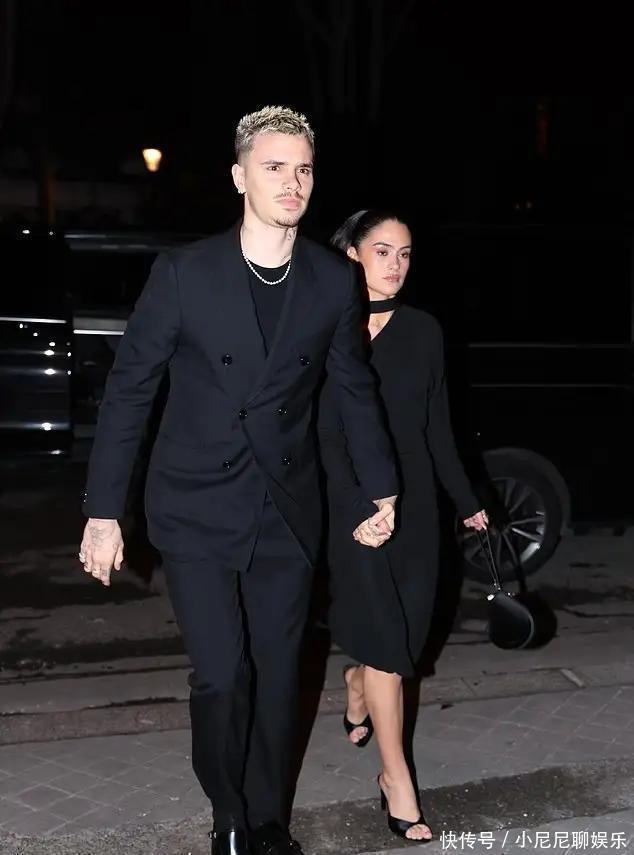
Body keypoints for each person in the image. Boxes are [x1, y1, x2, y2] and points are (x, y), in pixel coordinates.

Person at [77, 110, 399, 855]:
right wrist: (104, 511)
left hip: (285, 508)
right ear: (239, 176)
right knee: (222, 674)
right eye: (274, 167)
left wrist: (379, 486)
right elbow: (130, 391)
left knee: (279, 675)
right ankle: (228, 815)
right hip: (194, 505)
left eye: (303, 169)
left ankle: (266, 816)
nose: (292, 182)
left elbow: (353, 391)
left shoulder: (332, 280)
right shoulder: (185, 273)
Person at [318, 209, 488, 843]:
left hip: (415, 509)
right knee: (389, 648)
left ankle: (356, 681)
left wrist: (465, 498)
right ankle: (397, 781)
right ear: (351, 256)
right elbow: (323, 434)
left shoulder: (422, 331)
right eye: (382, 251)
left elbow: (436, 426)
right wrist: (360, 506)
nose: (396, 264)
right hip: (353, 509)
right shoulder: (323, 328)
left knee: (403, 644)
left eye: (405, 253)